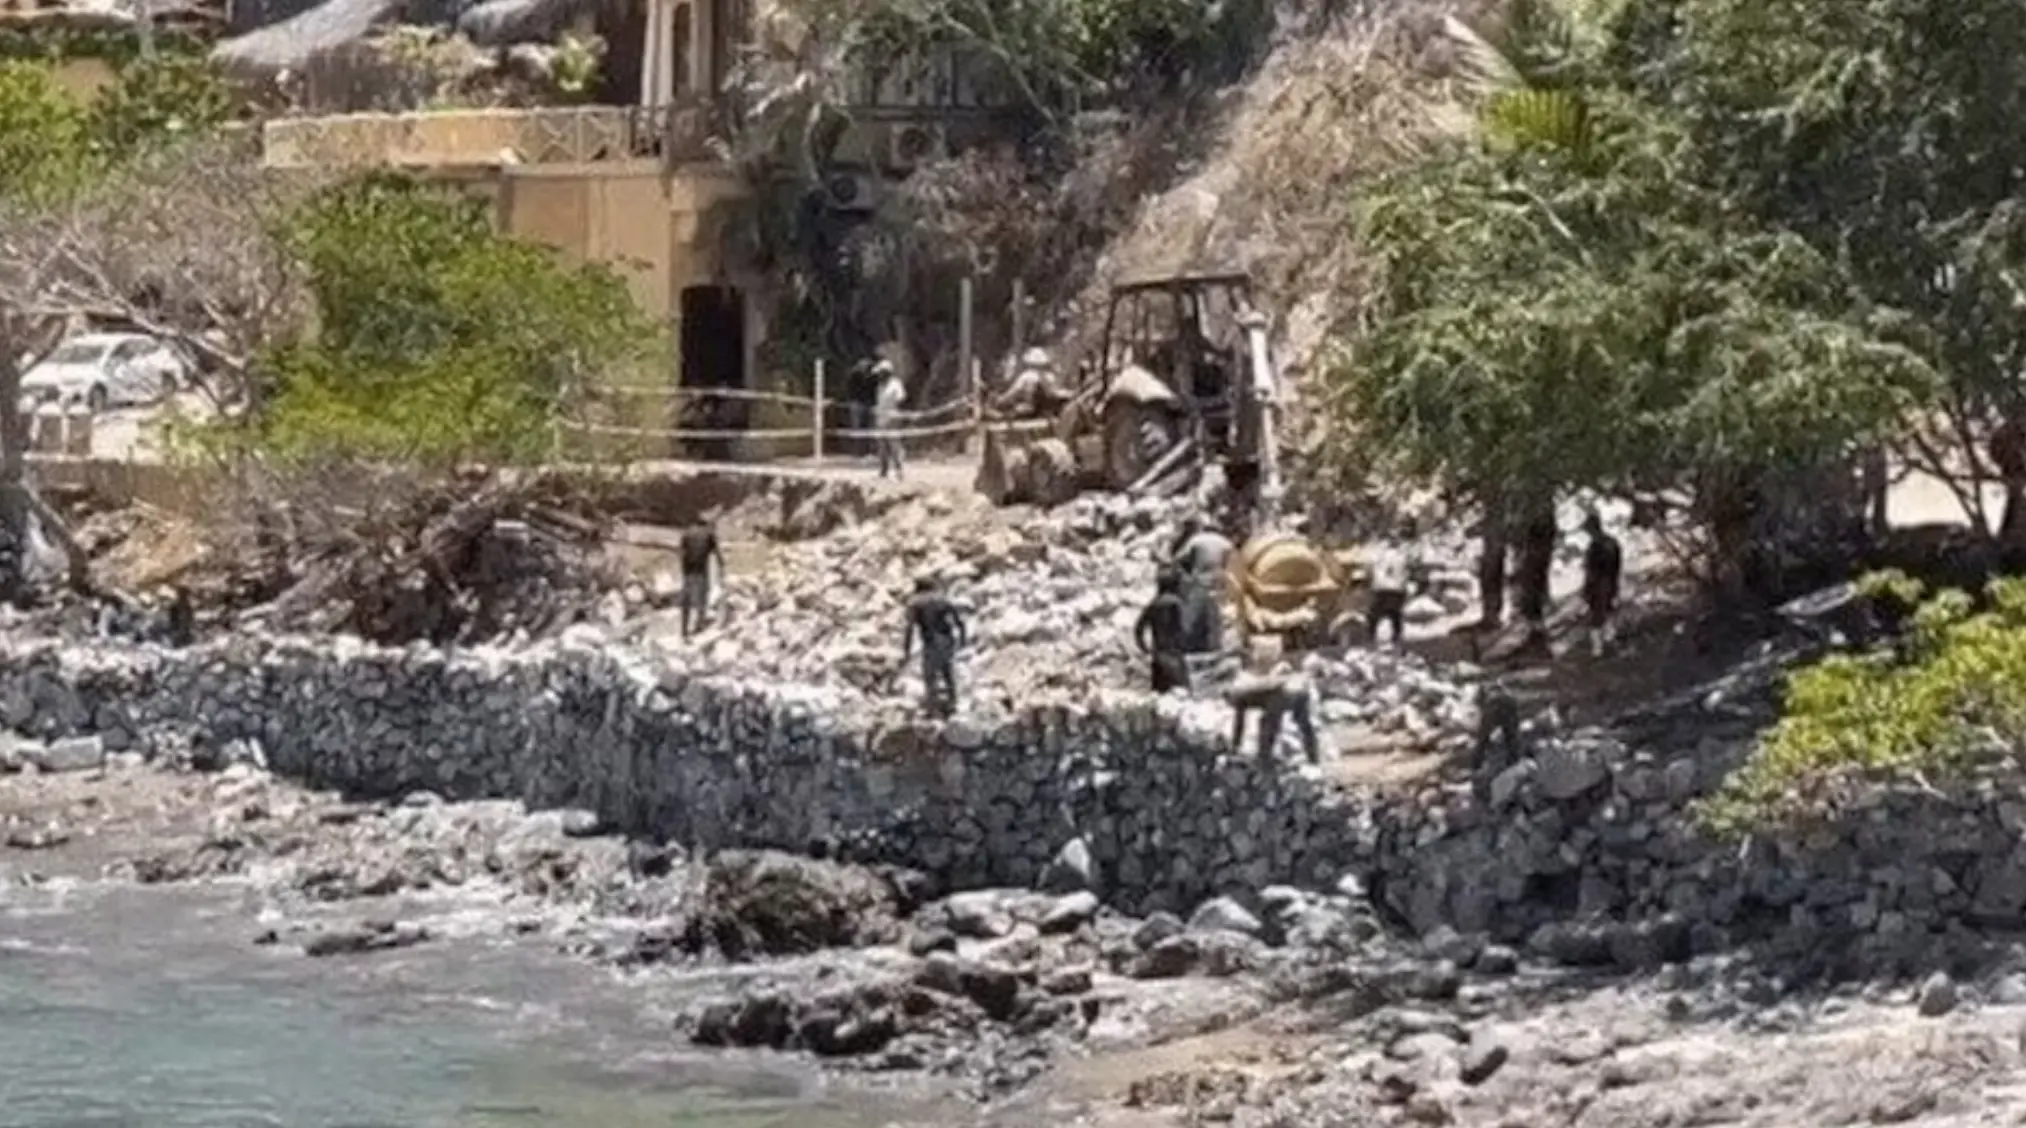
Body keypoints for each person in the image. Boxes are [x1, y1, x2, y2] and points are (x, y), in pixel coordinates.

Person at [1225, 644, 1321, 763]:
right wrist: (1234, 746)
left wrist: (1235, 747)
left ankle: (1264, 762)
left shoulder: (1240, 693)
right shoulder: (1244, 687)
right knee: (1304, 724)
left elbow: (1239, 724)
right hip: (1296, 690)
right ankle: (1313, 758)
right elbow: (1239, 724)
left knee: (1267, 723)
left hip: (1283, 694)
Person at [901, 576, 967, 716]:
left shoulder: (915, 603)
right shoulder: (942, 599)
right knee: (947, 671)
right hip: (948, 638)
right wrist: (962, 640)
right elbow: (960, 622)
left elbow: (910, 627)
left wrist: (906, 649)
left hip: (931, 641)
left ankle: (933, 708)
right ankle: (952, 702)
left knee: (930, 675)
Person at [1168, 514, 1234, 653]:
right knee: (1216, 614)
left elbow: (1178, 559)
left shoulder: (1196, 539)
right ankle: (1215, 645)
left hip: (1200, 578)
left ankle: (1187, 643)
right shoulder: (1225, 541)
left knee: (1193, 612)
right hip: (1219, 579)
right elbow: (1233, 561)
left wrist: (1184, 576)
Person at [1135, 567, 1191, 692]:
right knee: (1181, 694)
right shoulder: (1177, 604)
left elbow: (1139, 629)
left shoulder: (1154, 604)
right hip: (1175, 655)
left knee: (1159, 695)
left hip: (1158, 655)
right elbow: (1185, 627)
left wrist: (1145, 648)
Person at [1366, 520, 1418, 646]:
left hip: (1393, 587)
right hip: (1385, 587)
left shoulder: (1403, 551)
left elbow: (1409, 568)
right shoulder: (1381, 551)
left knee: (1391, 613)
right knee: (1380, 614)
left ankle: (1394, 637)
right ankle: (1374, 638)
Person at [1580, 510, 1623, 658]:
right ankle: (1610, 639)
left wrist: (1586, 589)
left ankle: (1597, 649)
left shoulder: (1594, 546)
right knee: (1609, 609)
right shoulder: (1613, 542)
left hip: (1598, 583)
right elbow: (1617, 565)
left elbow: (1591, 570)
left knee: (1596, 615)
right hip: (1611, 580)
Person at [992, 347, 1072, 419]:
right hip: (1044, 412)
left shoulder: (1026, 376)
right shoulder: (1050, 377)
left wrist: (1000, 400)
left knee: (1011, 411)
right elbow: (1054, 393)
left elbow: (1013, 393)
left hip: (1028, 409)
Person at [678, 518, 725, 638]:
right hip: (701, 570)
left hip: (688, 571)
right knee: (702, 596)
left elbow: (681, 552)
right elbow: (718, 554)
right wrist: (722, 568)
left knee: (686, 600)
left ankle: (684, 630)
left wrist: (683, 569)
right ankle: (699, 624)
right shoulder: (709, 534)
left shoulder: (687, 533)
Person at [873, 359, 907, 480]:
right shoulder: (880, 387)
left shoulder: (895, 384)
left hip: (892, 418)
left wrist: (896, 415)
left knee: (894, 446)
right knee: (882, 447)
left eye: (881, 373)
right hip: (881, 419)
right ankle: (883, 471)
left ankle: (899, 470)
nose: (879, 376)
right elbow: (879, 402)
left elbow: (901, 399)